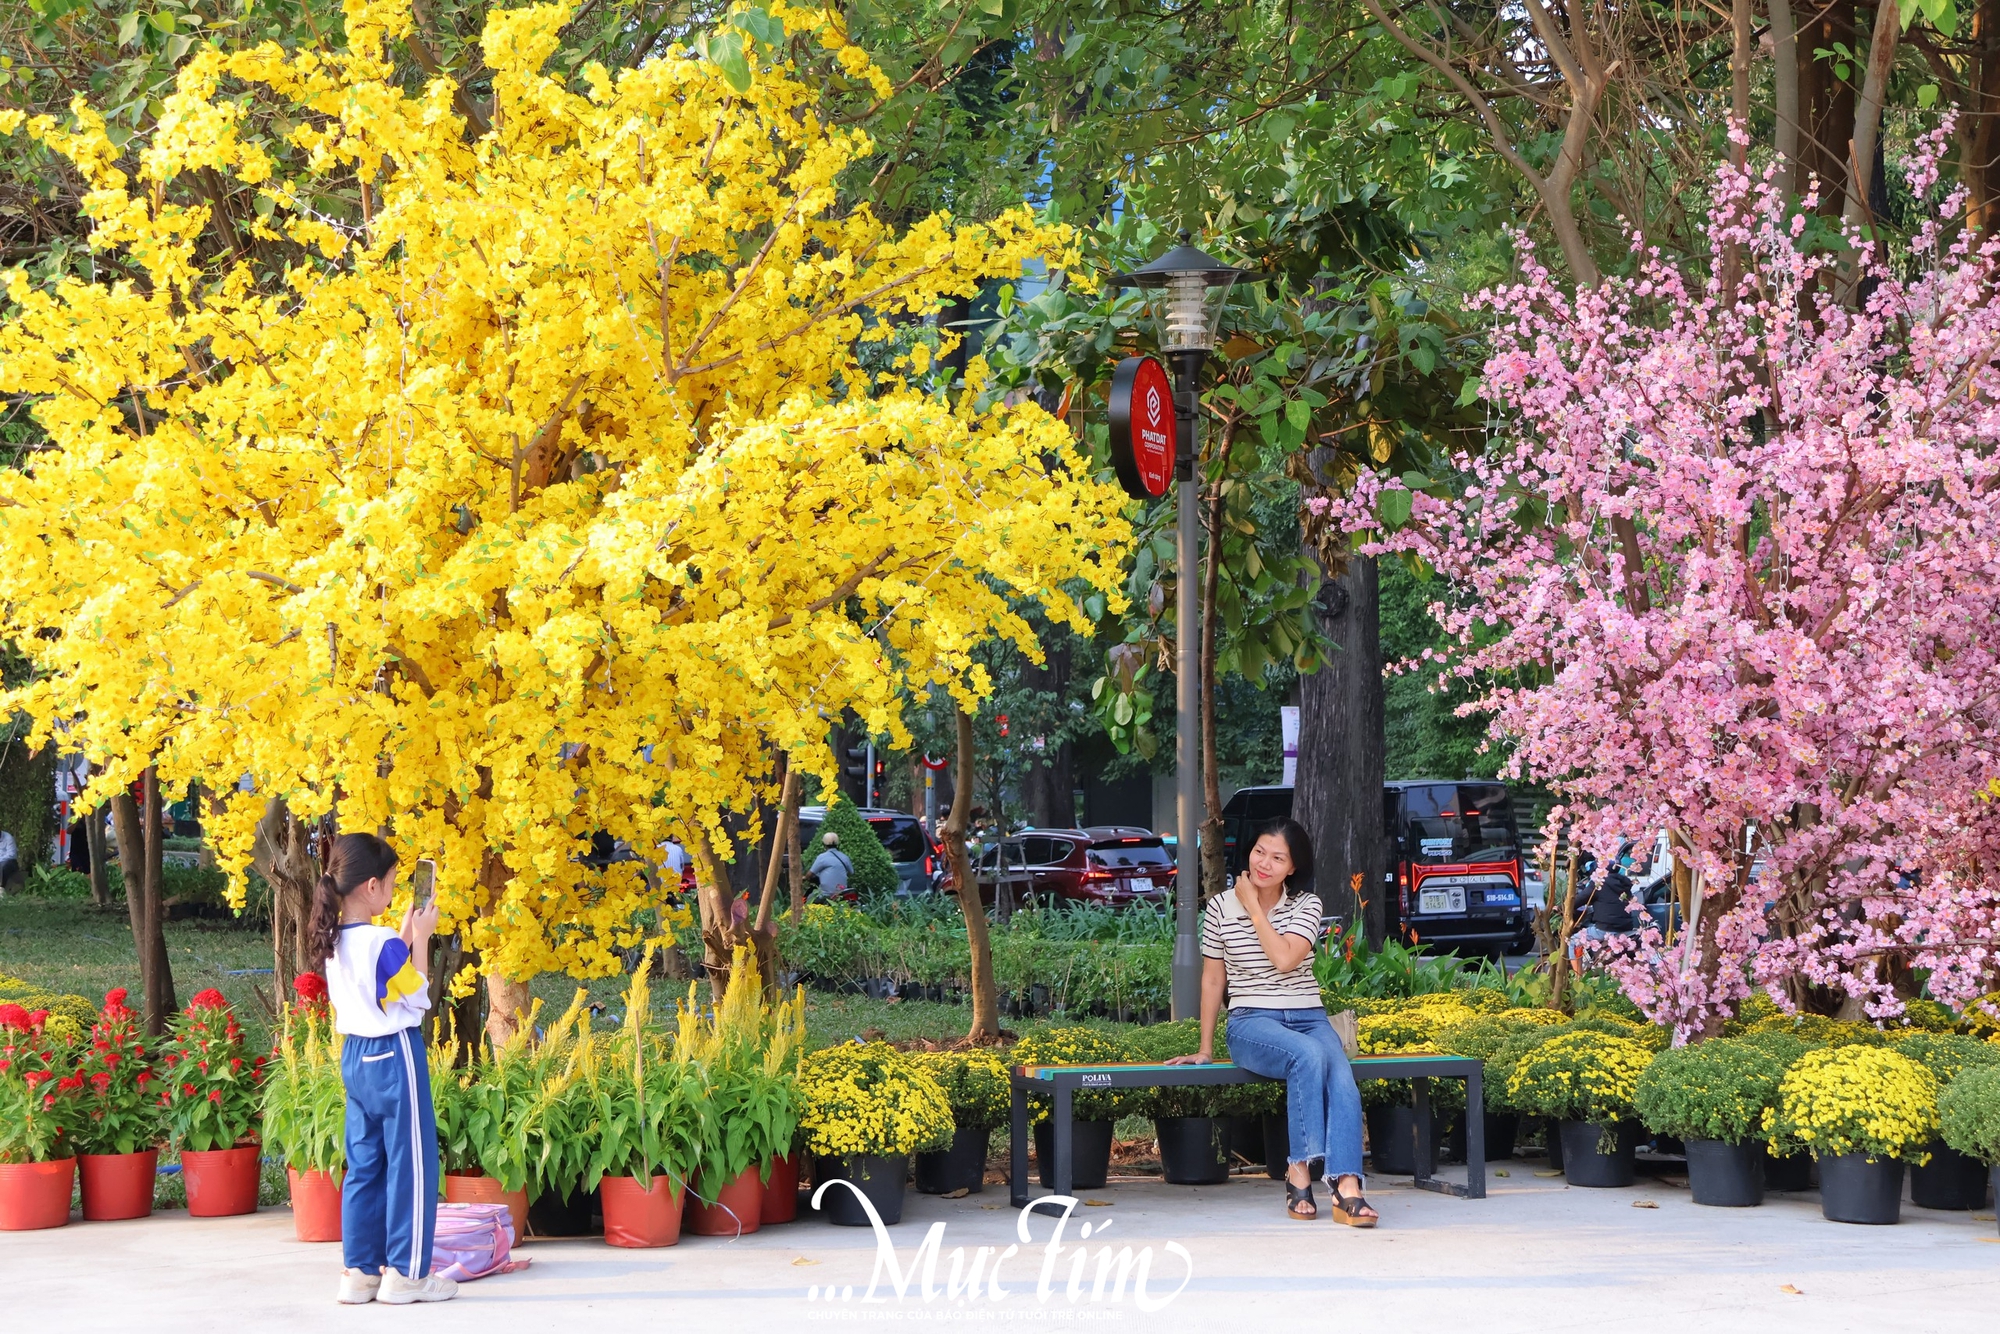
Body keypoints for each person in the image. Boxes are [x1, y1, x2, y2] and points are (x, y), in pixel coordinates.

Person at [1167, 818, 1374, 1226]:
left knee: (1342, 1078)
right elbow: (1213, 978)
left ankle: (1347, 1184)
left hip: (1309, 1015)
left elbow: (1284, 959)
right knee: (1309, 1056)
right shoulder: (1220, 906)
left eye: (1278, 858)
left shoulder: (1306, 905)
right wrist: (1205, 1047)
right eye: (1260, 851)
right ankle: (1299, 1169)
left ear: (1293, 868)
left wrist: (1254, 910)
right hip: (1250, 1020)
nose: (1264, 863)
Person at [308, 833, 456, 1305]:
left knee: (365, 1165)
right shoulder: (383, 943)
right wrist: (423, 939)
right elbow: (415, 998)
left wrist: (406, 935)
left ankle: (360, 1273)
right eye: (391, 883)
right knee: (411, 1163)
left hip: (356, 1058)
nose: (394, 892)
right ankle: (408, 1275)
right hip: (396, 1054)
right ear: (371, 887)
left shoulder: (335, 938)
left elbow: (381, 978)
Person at [808, 831, 854, 900]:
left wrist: (804, 878)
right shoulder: (844, 857)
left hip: (825, 895)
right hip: (842, 893)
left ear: (824, 844)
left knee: (809, 898)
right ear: (837, 844)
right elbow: (851, 872)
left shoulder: (822, 857)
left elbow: (810, 874)